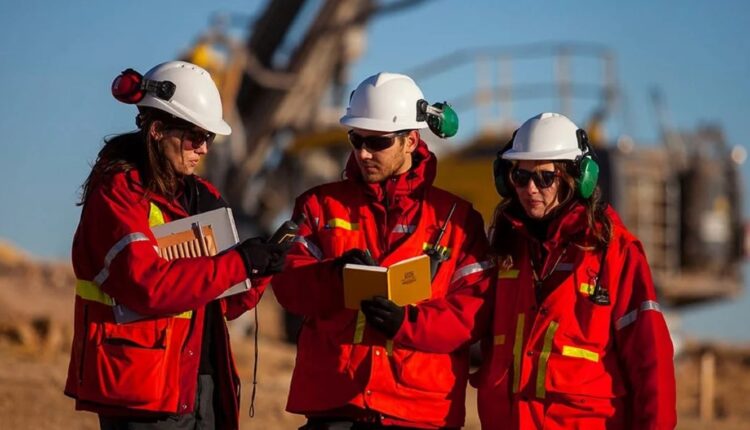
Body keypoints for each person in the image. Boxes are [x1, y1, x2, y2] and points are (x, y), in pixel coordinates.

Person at [64, 60, 289, 430]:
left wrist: (259, 269)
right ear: (156, 130)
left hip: (203, 383)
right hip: (142, 389)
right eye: (194, 137)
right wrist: (238, 264)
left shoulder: (205, 197)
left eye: (209, 139)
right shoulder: (119, 195)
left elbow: (227, 305)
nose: (203, 149)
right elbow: (146, 285)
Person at [270, 72, 495, 429]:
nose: (362, 152)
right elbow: (288, 284)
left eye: (377, 142)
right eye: (355, 139)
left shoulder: (457, 221)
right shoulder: (319, 206)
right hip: (336, 406)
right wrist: (335, 276)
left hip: (417, 412)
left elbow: (473, 314)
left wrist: (406, 324)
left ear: (411, 140)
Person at [473, 112, 677, 429]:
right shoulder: (504, 248)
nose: (530, 188)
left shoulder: (615, 253)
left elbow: (651, 360)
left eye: (544, 177)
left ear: (575, 178)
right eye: (520, 177)